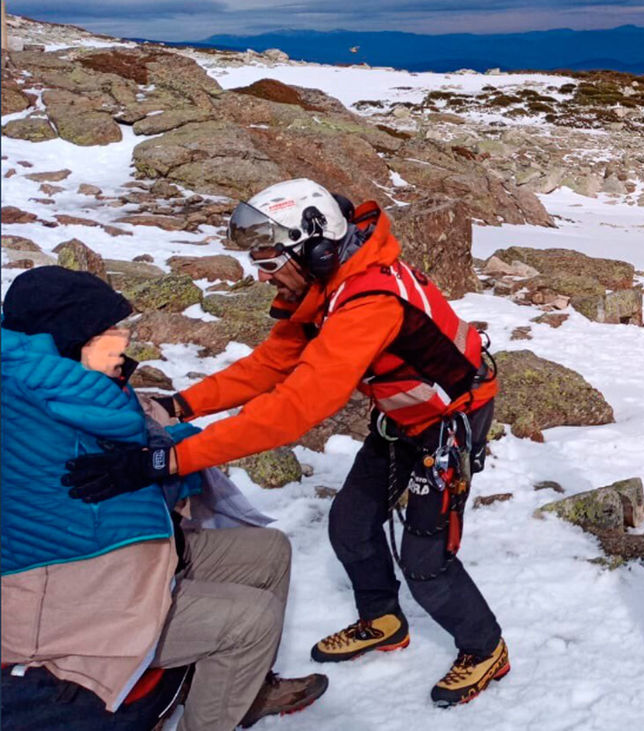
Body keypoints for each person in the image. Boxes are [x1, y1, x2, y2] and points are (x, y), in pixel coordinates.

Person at [62, 178, 508, 708]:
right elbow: (272, 365)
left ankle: (485, 648)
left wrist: (171, 458)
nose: (261, 273)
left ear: (316, 249)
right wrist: (183, 406)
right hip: (403, 418)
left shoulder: (368, 302)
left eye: (271, 262)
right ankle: (383, 620)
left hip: (447, 425)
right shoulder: (323, 289)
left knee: (425, 559)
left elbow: (294, 409)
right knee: (350, 525)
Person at [1, 266, 327, 730]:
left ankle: (243, 687)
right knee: (251, 620)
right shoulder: (48, 395)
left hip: (111, 560)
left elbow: (144, 446)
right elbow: (145, 450)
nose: (121, 344)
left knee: (269, 552)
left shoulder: (56, 384)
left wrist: (168, 445)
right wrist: (169, 453)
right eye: (107, 333)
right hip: (65, 599)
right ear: (72, 336)